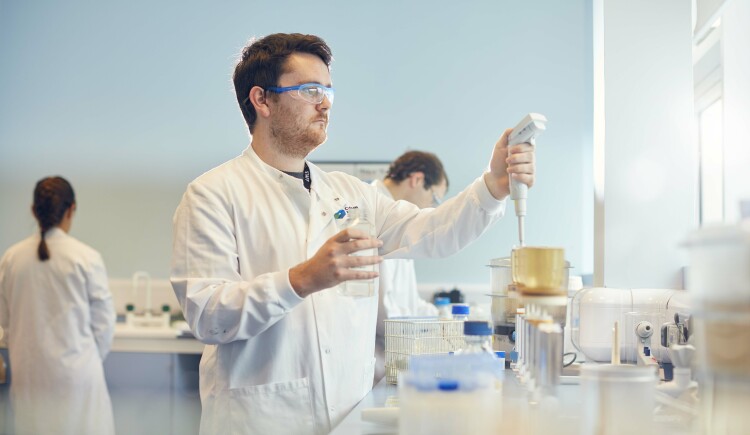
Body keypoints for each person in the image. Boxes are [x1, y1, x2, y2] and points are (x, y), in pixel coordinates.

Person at [170, 32, 535, 435]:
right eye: (309, 90)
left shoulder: (351, 194)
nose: (324, 102)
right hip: (263, 420)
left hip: (351, 416)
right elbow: (208, 315)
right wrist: (302, 279)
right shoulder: (213, 193)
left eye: (328, 90)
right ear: (262, 100)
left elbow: (432, 232)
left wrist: (494, 184)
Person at [0, 176, 116, 435]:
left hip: (29, 376)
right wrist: (85, 359)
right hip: (77, 378)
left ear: (33, 210)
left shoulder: (11, 258)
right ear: (71, 209)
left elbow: (5, 324)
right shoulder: (86, 257)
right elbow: (104, 324)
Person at [372, 150, 447, 384]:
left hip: (390, 356)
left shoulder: (401, 222)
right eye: (435, 199)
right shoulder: (373, 213)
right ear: (416, 179)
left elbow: (408, 301)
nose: (432, 207)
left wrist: (446, 320)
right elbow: (385, 312)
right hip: (374, 358)